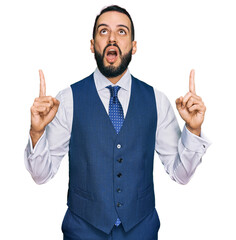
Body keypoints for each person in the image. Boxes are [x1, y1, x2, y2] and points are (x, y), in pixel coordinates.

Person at [25, 5, 210, 240]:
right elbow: (41, 175)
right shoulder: (67, 100)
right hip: (83, 232)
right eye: (104, 31)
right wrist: (37, 131)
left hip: (141, 231)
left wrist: (193, 129)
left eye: (122, 32)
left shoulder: (157, 101)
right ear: (92, 45)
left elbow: (181, 175)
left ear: (133, 46)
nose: (112, 38)